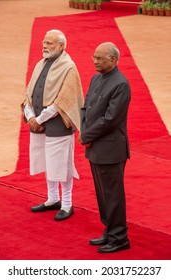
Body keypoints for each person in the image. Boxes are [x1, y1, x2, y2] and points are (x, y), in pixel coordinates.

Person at [22, 29, 84, 221]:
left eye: (49, 43)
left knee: (62, 164)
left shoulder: (69, 68)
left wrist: (38, 120)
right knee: (47, 162)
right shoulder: (40, 64)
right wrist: (30, 115)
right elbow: (28, 94)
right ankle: (52, 199)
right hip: (38, 124)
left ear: (61, 46)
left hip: (58, 124)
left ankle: (67, 203)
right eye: (44, 42)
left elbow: (63, 101)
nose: (45, 46)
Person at [78, 42, 131, 253]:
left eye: (100, 58)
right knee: (102, 194)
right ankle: (110, 231)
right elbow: (85, 107)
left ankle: (120, 237)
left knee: (113, 195)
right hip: (95, 146)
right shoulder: (95, 77)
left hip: (111, 149)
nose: (95, 61)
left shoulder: (121, 84)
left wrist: (86, 135)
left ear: (114, 60)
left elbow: (111, 119)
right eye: (94, 57)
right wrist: (85, 133)